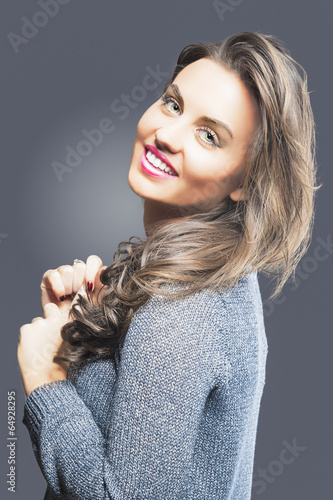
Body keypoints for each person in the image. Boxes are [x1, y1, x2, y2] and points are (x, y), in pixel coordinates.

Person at [17, 32, 319, 499]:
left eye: (209, 136)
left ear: (244, 180)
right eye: (173, 104)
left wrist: (45, 382)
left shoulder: (180, 313)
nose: (166, 135)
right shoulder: (223, 274)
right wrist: (83, 332)